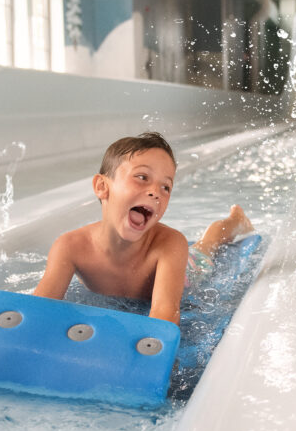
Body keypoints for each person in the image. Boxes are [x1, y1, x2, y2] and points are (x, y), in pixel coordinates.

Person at [33, 132, 254, 324]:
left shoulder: (170, 245)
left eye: (166, 186)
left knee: (207, 245)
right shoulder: (70, 247)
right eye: (142, 177)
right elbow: (38, 309)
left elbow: (164, 315)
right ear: (102, 187)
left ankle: (235, 221)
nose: (155, 191)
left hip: (187, 270)